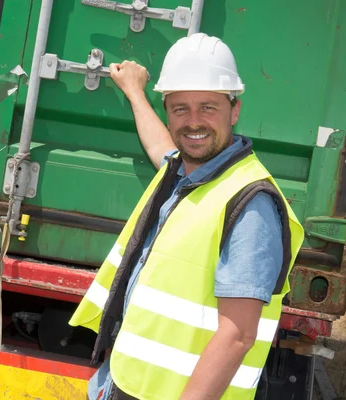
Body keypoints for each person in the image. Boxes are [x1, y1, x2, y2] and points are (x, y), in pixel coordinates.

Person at [69, 33, 304, 400]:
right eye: (181, 109)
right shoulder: (181, 174)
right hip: (127, 382)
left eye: (208, 107)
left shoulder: (250, 203)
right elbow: (161, 146)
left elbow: (237, 335)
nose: (194, 122)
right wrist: (134, 92)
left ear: (235, 110)